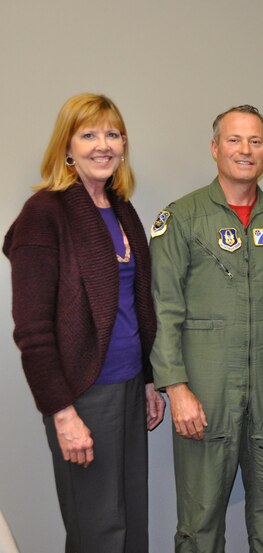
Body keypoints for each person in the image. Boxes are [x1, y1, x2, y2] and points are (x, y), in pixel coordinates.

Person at [149, 105, 263, 552]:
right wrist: (175, 387)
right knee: (201, 510)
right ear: (215, 148)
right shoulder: (183, 218)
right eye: (234, 140)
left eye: (255, 141)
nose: (245, 150)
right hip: (205, 387)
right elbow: (162, 308)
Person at [4, 93, 165, 553]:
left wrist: (150, 382)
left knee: (133, 523)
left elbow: (136, 308)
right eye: (89, 134)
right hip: (83, 396)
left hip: (131, 386)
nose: (103, 145)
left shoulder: (122, 209)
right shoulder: (45, 214)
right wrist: (62, 412)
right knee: (98, 531)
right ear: (67, 147)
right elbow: (32, 330)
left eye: (112, 134)